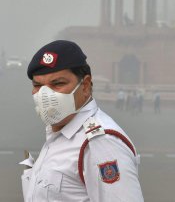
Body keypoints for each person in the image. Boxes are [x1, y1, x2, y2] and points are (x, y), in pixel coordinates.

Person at [21, 40, 143, 201]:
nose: (45, 95)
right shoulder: (60, 133)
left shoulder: (100, 143)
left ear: (85, 86)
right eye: (38, 86)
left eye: (57, 84)